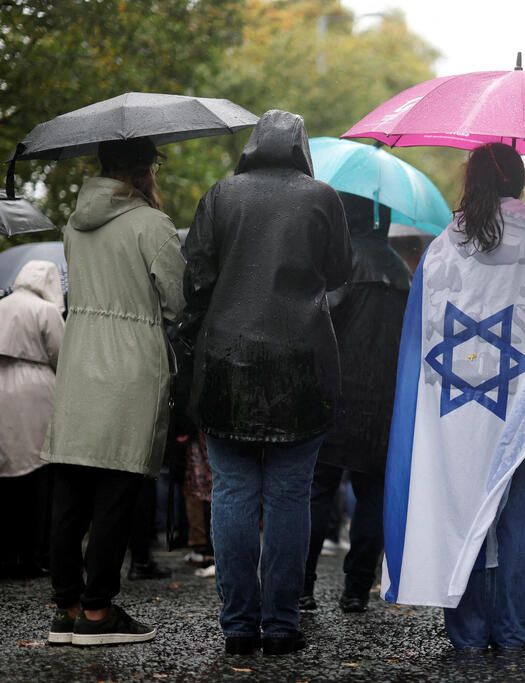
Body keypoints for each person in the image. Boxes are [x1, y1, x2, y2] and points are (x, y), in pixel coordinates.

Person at [381, 142, 525, 650]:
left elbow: (420, 332)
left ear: (472, 182)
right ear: (520, 183)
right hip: (520, 403)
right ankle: (511, 629)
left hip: (451, 404)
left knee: (458, 506)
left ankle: (467, 632)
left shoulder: (442, 247)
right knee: (515, 521)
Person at [180, 110, 351, 656]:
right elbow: (340, 272)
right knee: (289, 496)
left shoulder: (220, 196)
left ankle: (237, 626)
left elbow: (196, 279)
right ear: (301, 148)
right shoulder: (323, 198)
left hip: (225, 364)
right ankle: (281, 623)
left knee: (232, 493)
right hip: (302, 365)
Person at [42, 137, 186, 646]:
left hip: (79, 361)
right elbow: (177, 302)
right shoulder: (152, 225)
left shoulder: (73, 225)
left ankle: (67, 608)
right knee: (117, 492)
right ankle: (98, 612)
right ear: (146, 169)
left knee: (70, 491)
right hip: (130, 366)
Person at [302, 192, 411, 614]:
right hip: (385, 401)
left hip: (334, 394)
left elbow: (316, 325)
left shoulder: (338, 265)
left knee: (316, 490)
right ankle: (357, 589)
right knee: (373, 496)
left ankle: (302, 586)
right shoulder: (401, 270)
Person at [0, 260, 64, 579]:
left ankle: (7, 554)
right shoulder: (46, 310)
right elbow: (61, 354)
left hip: (2, 386)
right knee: (39, 475)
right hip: (37, 390)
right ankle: (34, 553)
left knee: (7, 474)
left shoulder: (2, 304)